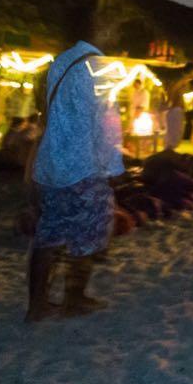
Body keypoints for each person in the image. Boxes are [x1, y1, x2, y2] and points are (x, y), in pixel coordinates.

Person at [26, 41, 123, 321]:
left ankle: (37, 305)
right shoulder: (98, 68)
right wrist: (114, 167)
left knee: (49, 234)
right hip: (82, 166)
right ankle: (74, 298)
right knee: (93, 229)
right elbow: (106, 122)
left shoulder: (60, 63)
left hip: (51, 164)